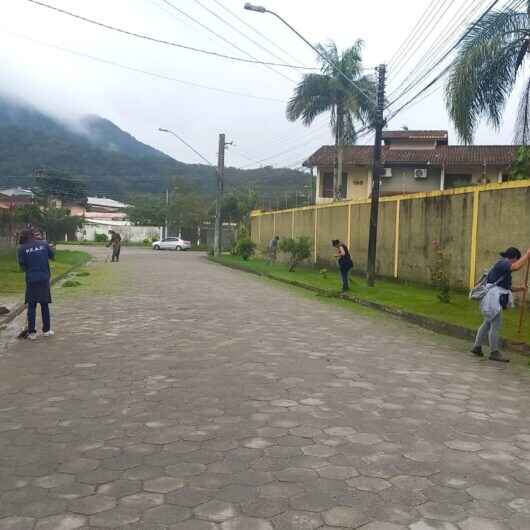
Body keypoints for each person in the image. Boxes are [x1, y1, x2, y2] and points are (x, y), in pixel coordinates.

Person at [471, 246, 530, 362]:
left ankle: (477, 347)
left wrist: (521, 288)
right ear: (513, 258)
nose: (517, 262)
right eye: (517, 259)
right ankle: (494, 352)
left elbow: (507, 287)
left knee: (487, 322)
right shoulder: (503, 263)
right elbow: (516, 267)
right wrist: (527, 256)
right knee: (496, 324)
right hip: (493, 299)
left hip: (493, 298)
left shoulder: (504, 269)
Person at [17, 229, 55, 340]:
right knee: (44, 304)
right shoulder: (43, 244)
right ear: (33, 236)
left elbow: (23, 267)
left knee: (32, 306)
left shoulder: (21, 249)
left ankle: (32, 332)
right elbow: (52, 256)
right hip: (44, 278)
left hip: (31, 280)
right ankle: (47, 330)